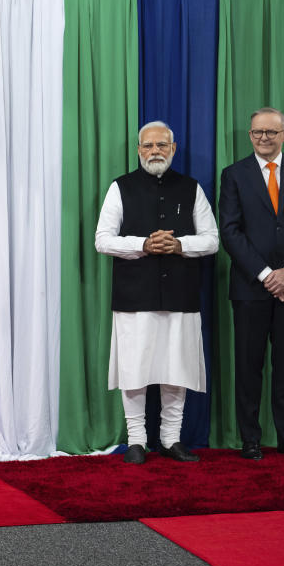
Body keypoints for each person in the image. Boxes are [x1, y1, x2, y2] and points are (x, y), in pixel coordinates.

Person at [95, 121, 219, 464]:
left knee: (176, 367)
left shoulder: (191, 188)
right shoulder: (120, 188)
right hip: (134, 294)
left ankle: (171, 439)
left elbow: (212, 239)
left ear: (173, 149)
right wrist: (144, 244)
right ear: (138, 150)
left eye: (162, 146)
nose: (155, 152)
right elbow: (102, 239)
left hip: (181, 293)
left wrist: (179, 244)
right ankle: (136, 440)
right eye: (148, 146)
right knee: (134, 368)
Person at [219, 107, 284, 460]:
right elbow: (230, 232)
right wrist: (267, 275)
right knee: (248, 365)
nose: (263, 138)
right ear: (250, 135)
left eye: (270, 132)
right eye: (256, 133)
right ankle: (250, 439)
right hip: (251, 287)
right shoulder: (233, 175)